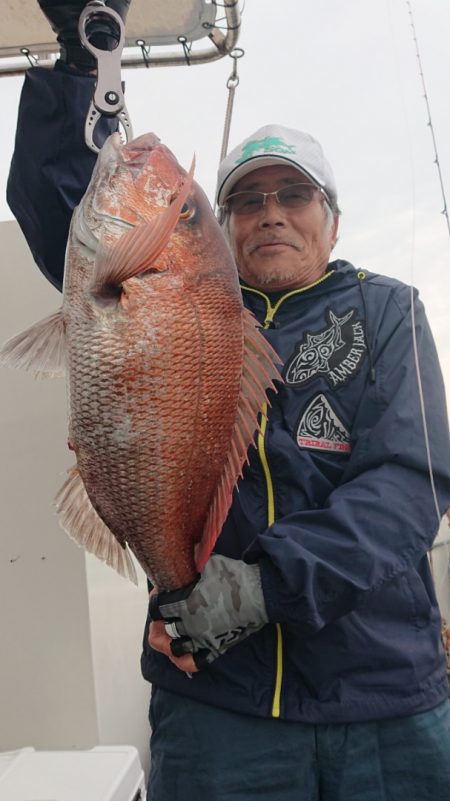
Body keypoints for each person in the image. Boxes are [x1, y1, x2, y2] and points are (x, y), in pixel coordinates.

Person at [7, 3, 450, 800]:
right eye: (245, 200)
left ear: (333, 220)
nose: (271, 211)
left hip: (382, 696)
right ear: (221, 229)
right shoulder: (184, 296)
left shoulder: (388, 310)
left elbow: (406, 485)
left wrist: (259, 586)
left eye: (294, 194)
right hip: (216, 697)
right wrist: (81, 65)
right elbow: (67, 209)